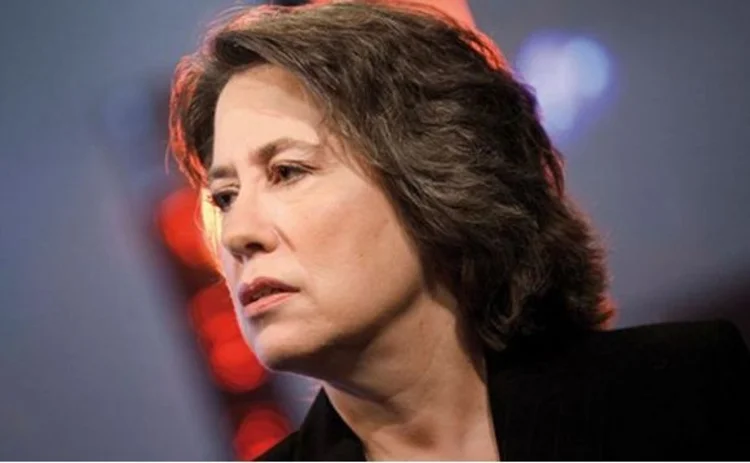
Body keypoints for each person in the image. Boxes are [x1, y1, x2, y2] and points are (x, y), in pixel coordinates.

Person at [168, 1, 750, 460]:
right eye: (225, 197)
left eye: (288, 171)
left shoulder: (680, 392)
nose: (237, 233)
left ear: (437, 178)